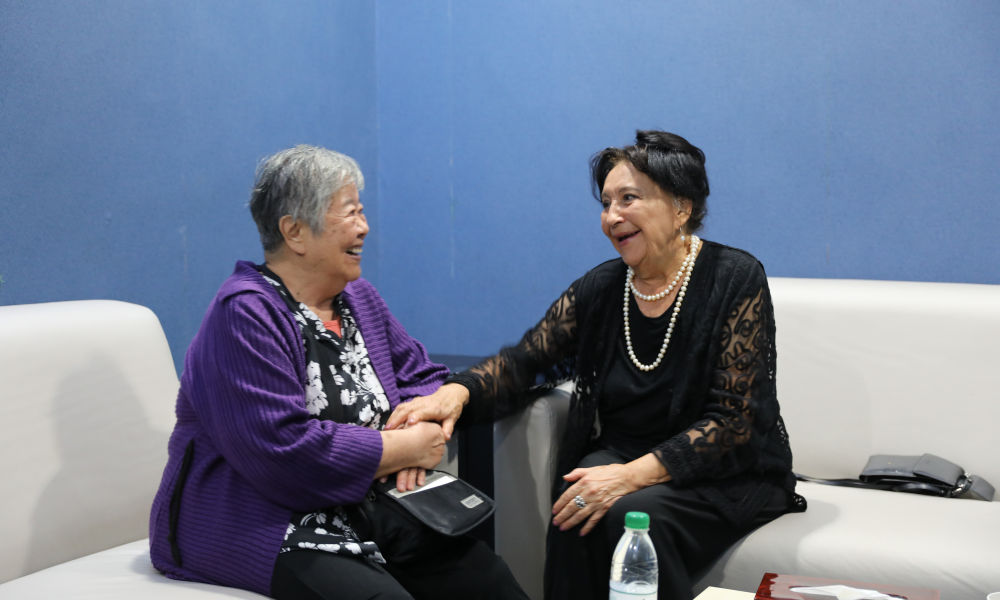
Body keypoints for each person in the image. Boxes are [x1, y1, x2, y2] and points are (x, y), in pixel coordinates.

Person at [387, 130, 807, 600]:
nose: (612, 217)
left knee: (631, 517)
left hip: (721, 471)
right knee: (577, 506)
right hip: (622, 453)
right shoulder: (602, 288)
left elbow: (735, 420)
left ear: (681, 208)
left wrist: (630, 477)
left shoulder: (734, 277)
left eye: (629, 199)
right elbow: (526, 362)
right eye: (606, 203)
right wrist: (456, 393)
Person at [148, 145, 528, 600]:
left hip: (362, 507)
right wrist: (402, 447)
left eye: (361, 212)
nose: (364, 227)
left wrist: (422, 421)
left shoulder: (358, 299)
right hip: (258, 522)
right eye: (350, 213)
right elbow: (283, 454)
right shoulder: (244, 314)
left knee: (489, 581)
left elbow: (424, 378)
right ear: (295, 231)